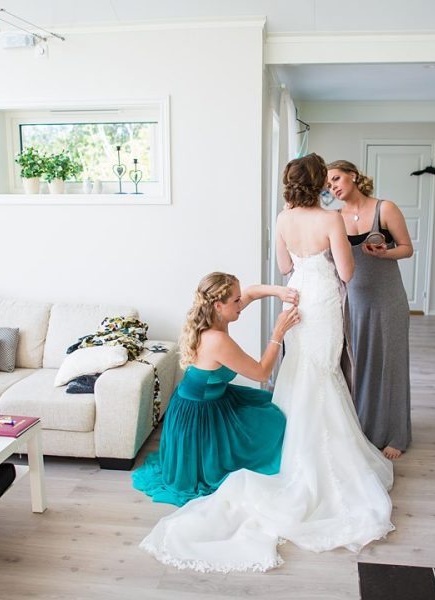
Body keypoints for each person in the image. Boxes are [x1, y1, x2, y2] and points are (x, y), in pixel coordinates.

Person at [139, 153, 394, 572]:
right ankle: (318, 456)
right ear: (319, 183)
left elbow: (285, 266)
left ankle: (290, 449)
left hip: (295, 297)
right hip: (322, 301)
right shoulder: (331, 219)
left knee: (301, 371)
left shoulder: (283, 218)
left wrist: (290, 280)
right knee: (323, 373)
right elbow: (347, 274)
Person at [131, 273, 301, 506]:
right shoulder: (215, 339)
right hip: (198, 417)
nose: (241, 304)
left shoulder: (214, 316)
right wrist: (278, 334)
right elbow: (262, 373)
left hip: (213, 400)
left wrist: (279, 291)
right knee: (273, 423)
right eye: (236, 301)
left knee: (268, 404)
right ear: (218, 305)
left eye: (239, 299)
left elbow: (251, 293)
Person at [326, 159, 413, 459]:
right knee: (359, 365)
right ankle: (362, 429)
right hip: (353, 301)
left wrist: (384, 252)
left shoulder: (384, 209)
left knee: (391, 363)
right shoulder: (334, 218)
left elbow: (407, 248)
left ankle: (396, 434)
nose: (333, 187)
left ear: (352, 175)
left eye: (336, 179)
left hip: (388, 299)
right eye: (328, 185)